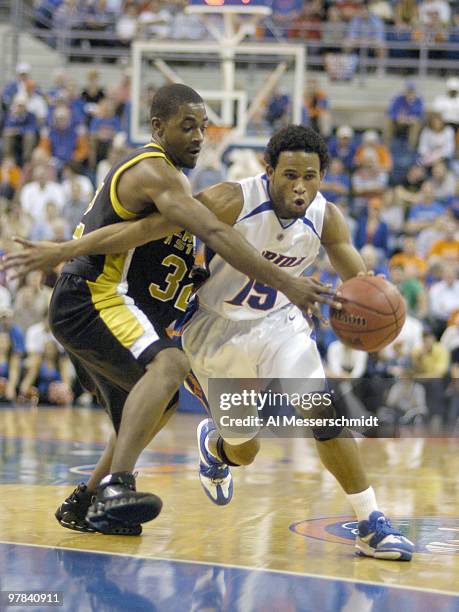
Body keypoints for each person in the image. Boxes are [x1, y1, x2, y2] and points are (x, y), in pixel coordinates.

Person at [3, 87, 336, 536]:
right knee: (171, 365)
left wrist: (195, 281)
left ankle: (87, 501)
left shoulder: (174, 183)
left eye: (203, 126)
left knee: (157, 405)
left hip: (110, 302)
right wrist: (289, 283)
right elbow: (214, 232)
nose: (199, 136)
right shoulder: (154, 172)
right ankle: (118, 486)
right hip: (96, 296)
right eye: (188, 126)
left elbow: (147, 240)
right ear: (158, 127)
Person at [177, 126, 413, 561]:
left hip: (280, 325)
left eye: (310, 175)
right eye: (289, 175)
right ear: (269, 170)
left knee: (322, 408)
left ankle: (371, 522)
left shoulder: (327, 217)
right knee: (244, 451)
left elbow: (357, 286)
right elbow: (171, 231)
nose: (299, 186)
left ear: (323, 175)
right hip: (217, 333)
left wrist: (373, 308)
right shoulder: (232, 199)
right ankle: (214, 443)